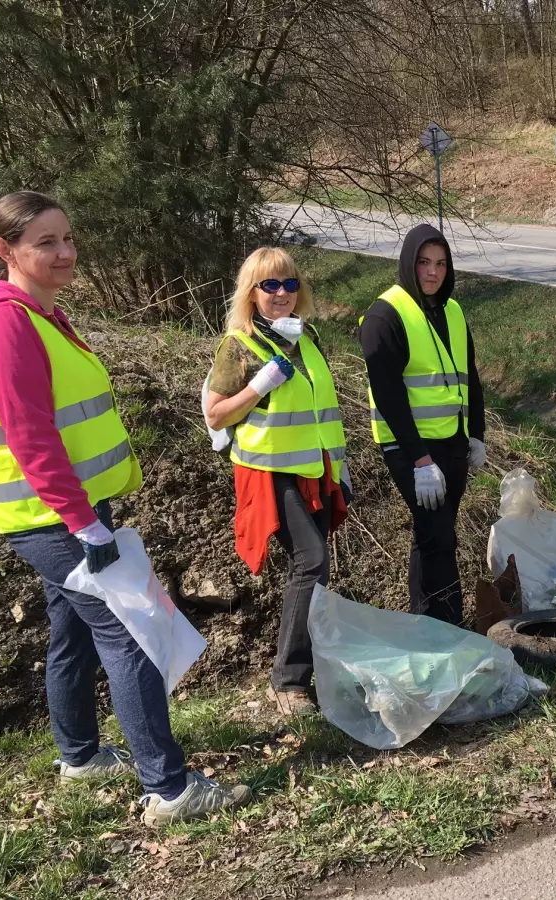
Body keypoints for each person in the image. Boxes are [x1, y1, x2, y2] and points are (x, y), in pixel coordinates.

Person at [0, 191, 250, 825]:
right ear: (5, 251)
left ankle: (81, 756)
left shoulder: (40, 313)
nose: (65, 253)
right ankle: (170, 789)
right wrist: (82, 520)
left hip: (69, 509)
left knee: (74, 632)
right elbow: (31, 435)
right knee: (129, 634)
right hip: (53, 516)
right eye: (45, 243)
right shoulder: (5, 323)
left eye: (67, 238)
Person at [205, 247, 349, 716]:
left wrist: (339, 471)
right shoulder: (239, 345)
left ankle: (306, 668)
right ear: (252, 293)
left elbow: (321, 413)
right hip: (269, 473)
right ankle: (288, 682)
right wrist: (258, 386)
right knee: (310, 561)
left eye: (289, 283)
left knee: (311, 566)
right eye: (270, 285)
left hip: (313, 469)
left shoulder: (308, 340)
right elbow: (215, 413)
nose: (282, 293)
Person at [358, 224, 486, 626]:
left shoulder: (452, 310)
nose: (432, 272)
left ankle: (424, 624)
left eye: (441, 264)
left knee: (431, 535)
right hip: (409, 448)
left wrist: (476, 434)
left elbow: (470, 377)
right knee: (440, 538)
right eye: (424, 262)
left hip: (451, 442)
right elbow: (388, 396)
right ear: (408, 263)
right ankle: (449, 629)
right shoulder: (385, 316)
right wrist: (419, 460)